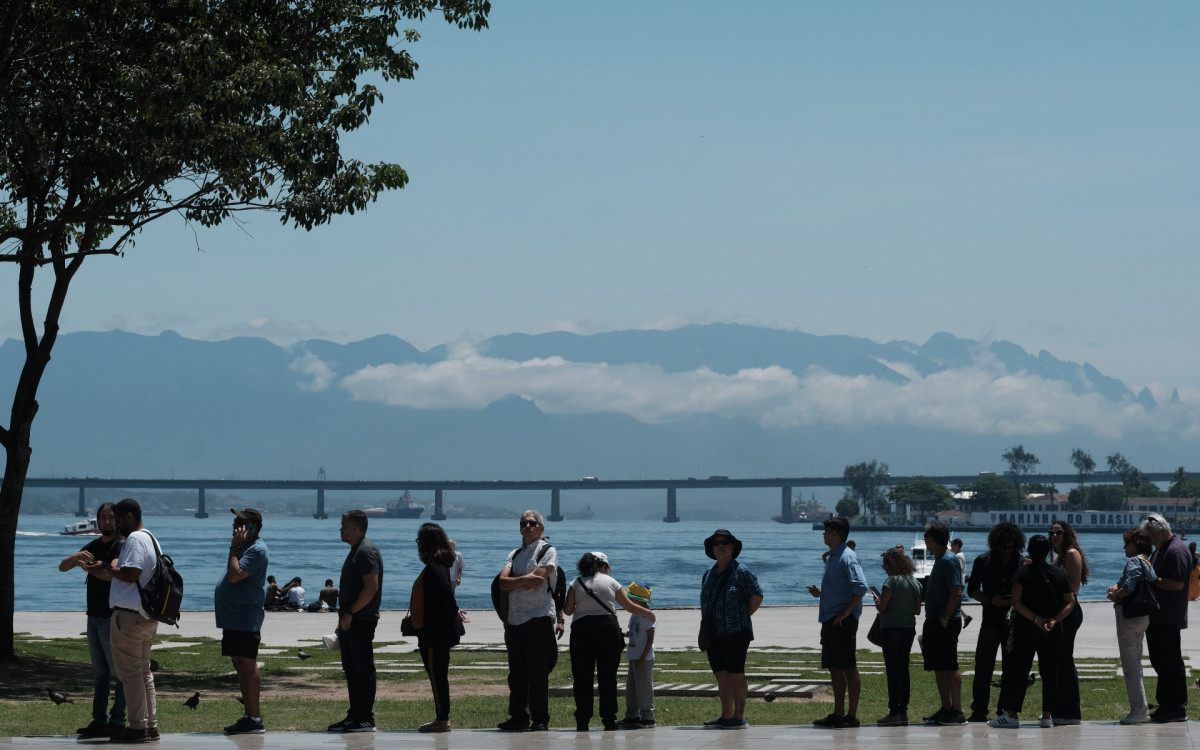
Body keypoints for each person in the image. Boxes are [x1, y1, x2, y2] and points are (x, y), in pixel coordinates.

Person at [987, 535, 1075, 729]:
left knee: (1019, 672)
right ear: (1047, 551)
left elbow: (1016, 601)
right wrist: (1054, 620)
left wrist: (1035, 619)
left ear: (1029, 550)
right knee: (1050, 672)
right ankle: (1047, 715)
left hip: (1026, 628)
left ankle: (1012, 714)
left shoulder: (1022, 573)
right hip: (1052, 629)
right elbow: (1070, 601)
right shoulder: (1058, 574)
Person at [563, 552, 656, 731]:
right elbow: (628, 606)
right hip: (607, 629)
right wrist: (648, 613)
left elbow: (568, 610)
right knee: (607, 677)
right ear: (603, 566)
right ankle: (608, 719)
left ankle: (582, 720)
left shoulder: (576, 583)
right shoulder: (611, 582)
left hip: (581, 631)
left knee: (582, 678)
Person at [58, 501, 126, 738]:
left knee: (119, 674)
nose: (107, 521)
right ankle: (99, 720)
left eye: (110, 517)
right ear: (98, 521)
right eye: (103, 517)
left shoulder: (121, 546)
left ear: (117, 521)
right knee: (99, 673)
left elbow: (112, 574)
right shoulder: (94, 545)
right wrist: (75, 557)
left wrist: (91, 569)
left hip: (111, 617)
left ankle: (118, 721)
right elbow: (62, 568)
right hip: (93, 616)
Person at [496, 510, 559, 732]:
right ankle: (518, 717)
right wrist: (523, 579)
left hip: (538, 618)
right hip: (514, 620)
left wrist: (514, 580)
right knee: (516, 674)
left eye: (533, 523)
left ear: (541, 528)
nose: (528, 526)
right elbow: (502, 583)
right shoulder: (514, 554)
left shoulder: (547, 551)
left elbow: (539, 579)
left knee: (538, 673)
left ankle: (540, 718)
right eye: (524, 523)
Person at [105, 498, 160, 743]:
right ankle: (150, 725)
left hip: (129, 618)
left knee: (130, 674)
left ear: (129, 516)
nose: (116, 526)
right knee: (144, 671)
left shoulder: (136, 539)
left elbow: (131, 573)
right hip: (146, 617)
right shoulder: (151, 538)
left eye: (118, 520)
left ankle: (138, 726)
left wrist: (108, 568)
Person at [701, 529, 763, 730]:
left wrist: (741, 616)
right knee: (721, 674)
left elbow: (757, 596)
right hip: (714, 633)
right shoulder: (708, 574)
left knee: (736, 673)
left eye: (725, 542)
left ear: (733, 547)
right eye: (716, 543)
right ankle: (726, 716)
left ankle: (739, 716)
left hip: (736, 631)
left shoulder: (741, 571)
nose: (720, 546)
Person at [807, 518, 866, 729]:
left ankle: (852, 715)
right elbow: (841, 588)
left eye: (826, 532)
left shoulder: (847, 557)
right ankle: (838, 713)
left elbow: (861, 586)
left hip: (842, 621)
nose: (823, 535)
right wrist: (820, 594)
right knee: (834, 667)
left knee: (848, 667)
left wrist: (847, 611)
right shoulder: (833, 557)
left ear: (834, 534)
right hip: (829, 618)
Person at [215, 508, 269, 735]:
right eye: (235, 520)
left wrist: (234, 547)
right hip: (233, 617)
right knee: (239, 663)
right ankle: (249, 715)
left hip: (245, 616)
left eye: (241, 522)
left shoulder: (256, 549)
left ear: (252, 527)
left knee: (247, 664)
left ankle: (254, 718)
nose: (235, 525)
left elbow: (235, 575)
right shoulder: (245, 547)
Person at [329, 510, 383, 733]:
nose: (340, 530)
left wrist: (350, 612)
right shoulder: (356, 551)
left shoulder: (366, 551)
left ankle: (365, 718)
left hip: (361, 620)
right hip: (350, 621)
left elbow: (371, 588)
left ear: (355, 528)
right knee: (351, 670)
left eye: (343, 526)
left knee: (363, 669)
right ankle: (355, 715)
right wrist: (342, 618)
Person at [966, 521, 1025, 722]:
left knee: (1011, 668)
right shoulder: (983, 561)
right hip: (990, 619)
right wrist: (991, 600)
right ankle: (979, 709)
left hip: (1014, 622)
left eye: (1010, 548)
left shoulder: (1023, 563)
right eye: (1002, 547)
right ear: (995, 545)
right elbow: (972, 590)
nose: (1006, 552)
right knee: (983, 666)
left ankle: (1004, 709)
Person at [410, 523, 462, 733]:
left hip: (434, 633)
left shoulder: (434, 568)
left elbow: (446, 597)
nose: (418, 546)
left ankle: (442, 719)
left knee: (437, 675)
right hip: (432, 631)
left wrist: (453, 612)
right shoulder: (438, 566)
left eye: (419, 542)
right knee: (437, 675)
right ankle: (442, 717)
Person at [1107, 527, 1158, 724]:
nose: (1124, 547)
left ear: (1135, 544)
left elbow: (1127, 588)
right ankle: (1141, 707)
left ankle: (1138, 710)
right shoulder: (1148, 562)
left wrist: (1114, 594)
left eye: (1127, 543)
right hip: (1143, 617)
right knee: (1137, 663)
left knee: (1130, 666)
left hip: (1129, 617)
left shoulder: (1134, 561)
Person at [1142, 512, 1190, 722]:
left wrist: (1153, 581)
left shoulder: (1176, 550)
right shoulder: (1163, 549)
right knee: (1161, 661)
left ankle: (1176, 707)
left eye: (1151, 537)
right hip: (1159, 617)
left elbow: (1177, 584)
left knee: (1170, 662)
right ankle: (1166, 704)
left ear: (1161, 530)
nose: (1150, 541)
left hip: (1168, 617)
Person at [871, 546, 922, 726]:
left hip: (891, 630)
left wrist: (876, 598)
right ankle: (903, 711)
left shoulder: (890, 582)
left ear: (891, 564)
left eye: (885, 564)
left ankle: (894, 711)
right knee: (903, 670)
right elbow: (917, 610)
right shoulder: (914, 582)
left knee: (892, 673)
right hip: (908, 630)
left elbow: (881, 607)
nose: (884, 568)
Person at [921, 520, 965, 725]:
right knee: (939, 666)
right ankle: (945, 708)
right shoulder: (940, 559)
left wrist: (946, 617)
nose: (925, 542)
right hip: (935, 620)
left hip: (946, 621)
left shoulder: (948, 560)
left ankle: (957, 710)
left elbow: (956, 590)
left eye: (926, 538)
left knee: (950, 665)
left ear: (932, 539)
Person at [1048, 519, 1089, 725]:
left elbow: (1073, 587)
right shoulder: (1058, 556)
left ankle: (1071, 712)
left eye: (1059, 532)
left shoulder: (1072, 554)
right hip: (1060, 610)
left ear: (1067, 534)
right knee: (1058, 660)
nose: (1054, 536)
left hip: (1069, 611)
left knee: (1064, 659)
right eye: (1052, 532)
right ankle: (1059, 709)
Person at [620, 581, 656, 729]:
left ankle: (648, 716)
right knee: (632, 688)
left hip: (643, 658)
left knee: (644, 687)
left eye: (631, 599)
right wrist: (621, 633)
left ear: (639, 600)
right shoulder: (635, 615)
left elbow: (650, 639)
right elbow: (633, 633)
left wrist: (642, 658)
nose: (629, 602)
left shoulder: (648, 617)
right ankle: (632, 715)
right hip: (633, 655)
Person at [951, 538, 972, 629]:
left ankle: (965, 617)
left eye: (952, 545)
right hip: (960, 582)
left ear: (956, 546)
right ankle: (966, 617)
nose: (951, 547)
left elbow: (957, 569)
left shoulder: (958, 556)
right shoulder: (960, 555)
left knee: (955, 603)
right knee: (955, 603)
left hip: (958, 583)